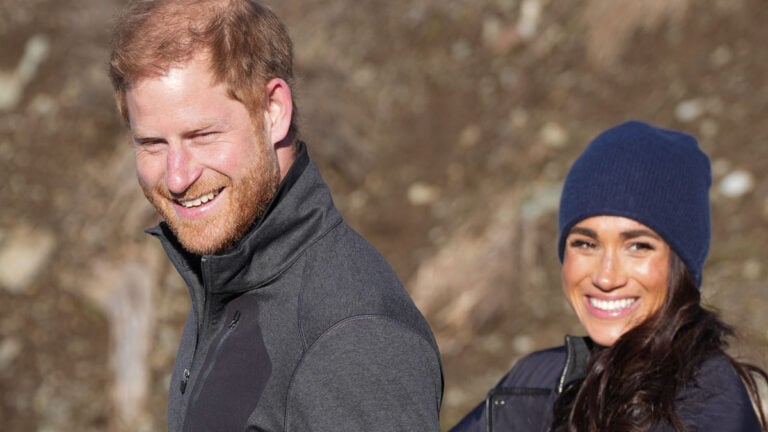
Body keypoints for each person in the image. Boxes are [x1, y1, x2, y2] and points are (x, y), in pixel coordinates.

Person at [107, 1, 443, 431]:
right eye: (152, 143)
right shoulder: (225, 272)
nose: (176, 177)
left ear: (274, 111)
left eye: (203, 135)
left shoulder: (349, 336)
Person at [451, 120, 768, 432]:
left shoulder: (708, 403)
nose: (606, 277)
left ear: (681, 264)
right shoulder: (537, 381)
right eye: (586, 244)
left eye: (638, 246)